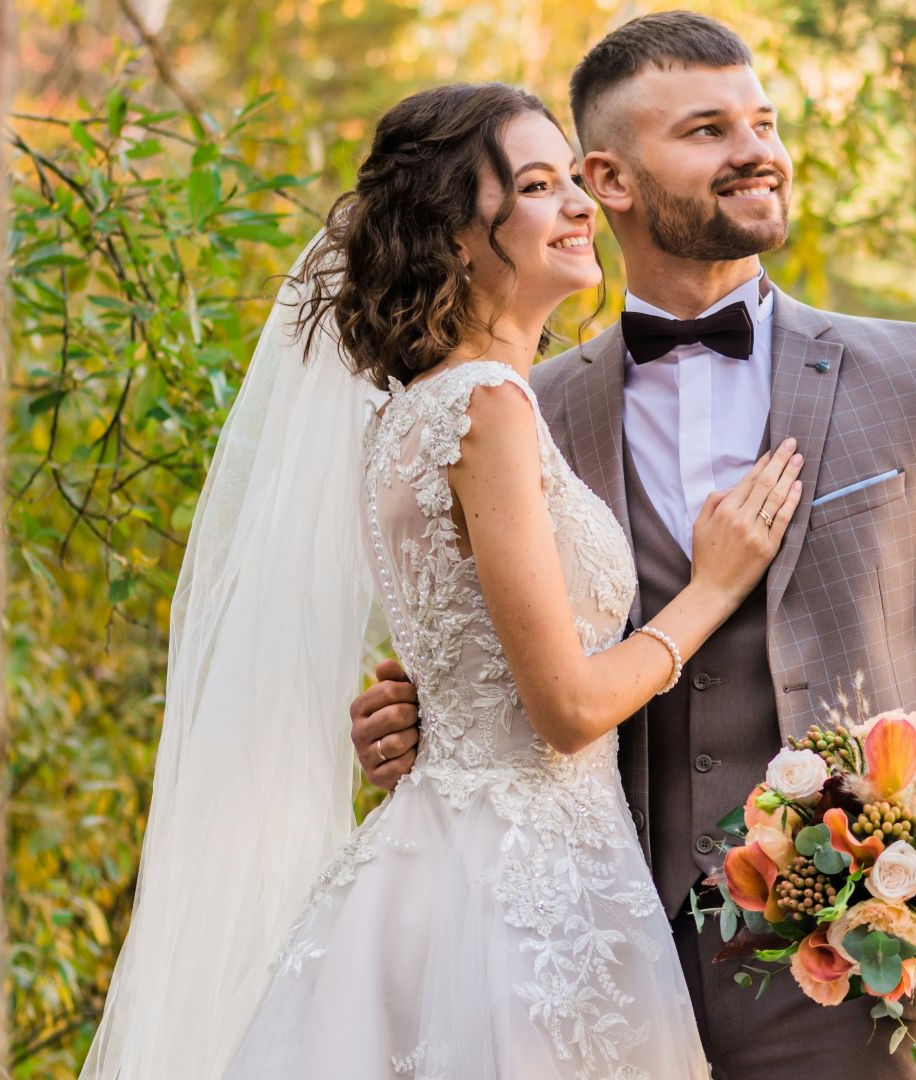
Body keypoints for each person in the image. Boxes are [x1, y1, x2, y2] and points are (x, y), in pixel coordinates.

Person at [352, 13, 916, 1078]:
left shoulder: (909, 376)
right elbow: (504, 659)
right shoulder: (515, 407)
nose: (757, 152)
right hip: (589, 959)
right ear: (610, 178)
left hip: (856, 978)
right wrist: (420, 720)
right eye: (707, 129)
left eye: (763, 122)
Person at [84, 81, 804, 1079]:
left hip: (451, 860)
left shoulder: (412, 412)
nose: (580, 206)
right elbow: (564, 707)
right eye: (541, 186)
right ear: (461, 237)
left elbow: (468, 660)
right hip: (521, 893)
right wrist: (713, 589)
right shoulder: (489, 407)